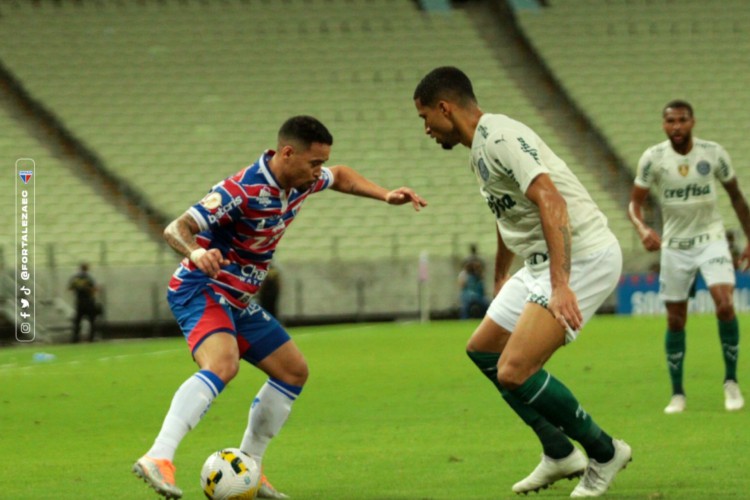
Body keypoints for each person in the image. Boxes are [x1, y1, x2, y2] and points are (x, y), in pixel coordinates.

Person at [132, 115, 427, 499]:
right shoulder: (241, 189)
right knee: (223, 364)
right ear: (287, 153)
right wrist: (197, 252)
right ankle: (159, 457)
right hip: (201, 287)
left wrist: (385, 194)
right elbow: (177, 228)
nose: (318, 171)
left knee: (292, 371)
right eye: (313, 163)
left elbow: (341, 175)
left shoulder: (301, 180)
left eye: (319, 163)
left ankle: (250, 468)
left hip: (237, 299)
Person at [414, 66, 630, 497]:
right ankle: (558, 452)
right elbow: (508, 211)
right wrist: (500, 271)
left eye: (425, 118)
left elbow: (551, 198)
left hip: (582, 256)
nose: (426, 129)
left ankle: (605, 452)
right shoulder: (478, 148)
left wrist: (562, 283)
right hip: (538, 262)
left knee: (514, 370)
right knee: (483, 351)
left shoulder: (501, 137)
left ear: (445, 108)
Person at [628, 100, 749, 414]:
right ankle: (678, 393)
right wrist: (642, 229)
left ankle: (731, 382)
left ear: (693, 122)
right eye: (670, 121)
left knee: (724, 303)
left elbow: (736, 195)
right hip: (675, 245)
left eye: (682, 120)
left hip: (711, 238)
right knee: (675, 319)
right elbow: (634, 204)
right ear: (663, 125)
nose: (676, 126)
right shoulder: (653, 159)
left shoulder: (713, 153)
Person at [68, 262, 98, 342]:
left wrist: (78, 286)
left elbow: (70, 288)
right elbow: (94, 290)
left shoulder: (75, 278)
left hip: (80, 302)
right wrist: (86, 287)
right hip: (88, 302)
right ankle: (91, 338)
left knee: (78, 321)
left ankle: (75, 338)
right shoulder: (89, 278)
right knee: (91, 321)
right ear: (87, 269)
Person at [458, 245, 489, 319]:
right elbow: (461, 285)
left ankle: (486, 320)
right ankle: (464, 320)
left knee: (487, 305)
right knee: (465, 307)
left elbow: (482, 287)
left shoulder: (479, 275)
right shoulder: (464, 274)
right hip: (468, 296)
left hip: (478, 296)